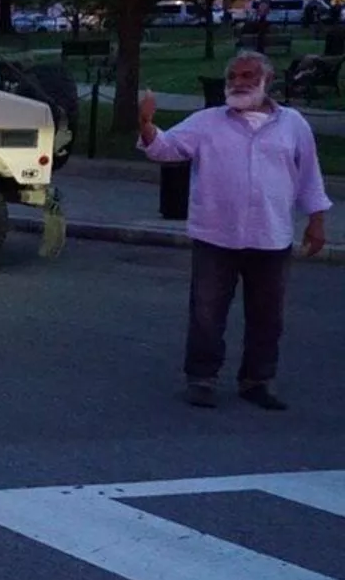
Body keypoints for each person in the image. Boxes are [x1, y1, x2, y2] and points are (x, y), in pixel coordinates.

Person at [137, 51, 330, 409]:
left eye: (247, 76)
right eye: (232, 77)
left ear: (267, 81)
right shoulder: (207, 122)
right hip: (216, 234)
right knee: (207, 312)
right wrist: (147, 124)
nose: (238, 83)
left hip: (270, 235)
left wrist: (316, 221)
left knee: (267, 315)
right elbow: (165, 149)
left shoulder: (293, 124)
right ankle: (202, 378)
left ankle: (258, 380)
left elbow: (309, 176)